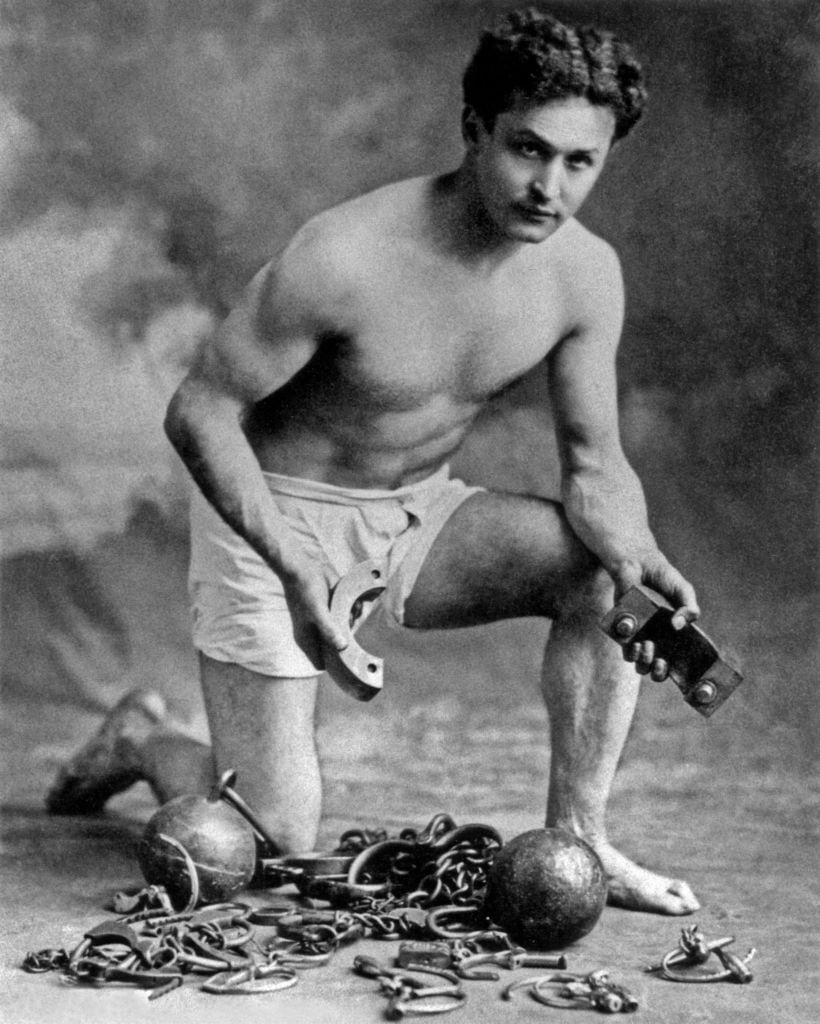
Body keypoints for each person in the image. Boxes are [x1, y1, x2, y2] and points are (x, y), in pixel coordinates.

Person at [48, 7, 701, 915]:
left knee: (603, 577)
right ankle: (142, 739)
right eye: (528, 149)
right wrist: (291, 561)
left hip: (413, 513)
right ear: (475, 129)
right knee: (272, 838)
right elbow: (199, 412)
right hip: (272, 508)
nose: (549, 186)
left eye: (579, 163)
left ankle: (582, 837)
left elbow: (595, 465)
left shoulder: (586, 276)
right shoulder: (345, 254)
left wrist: (640, 551)